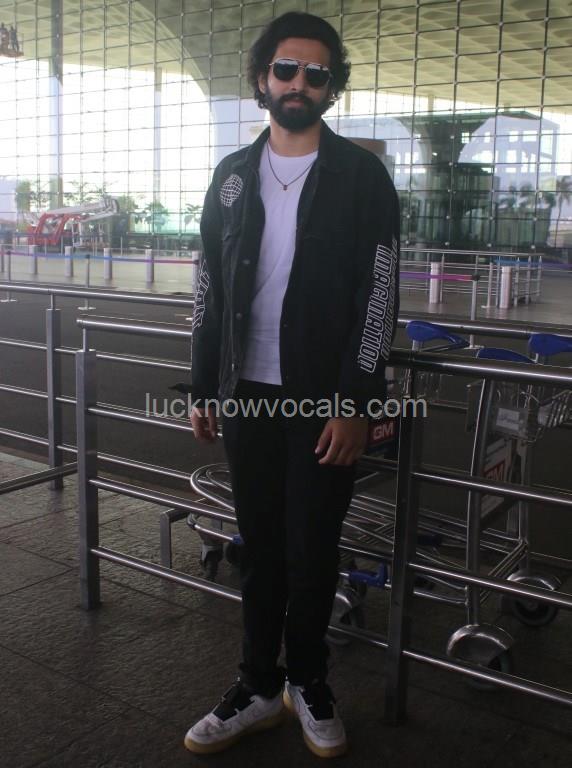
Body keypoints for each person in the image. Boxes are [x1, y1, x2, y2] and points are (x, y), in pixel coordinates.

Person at [185, 11, 399, 759]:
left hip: (321, 400)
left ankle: (308, 682)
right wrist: (203, 385)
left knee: (312, 547)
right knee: (261, 546)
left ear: (331, 88)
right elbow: (209, 289)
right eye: (286, 69)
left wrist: (354, 402)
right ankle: (256, 686)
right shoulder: (231, 178)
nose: (299, 82)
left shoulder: (361, 178)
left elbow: (379, 296)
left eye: (316, 73)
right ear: (262, 78)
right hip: (246, 392)